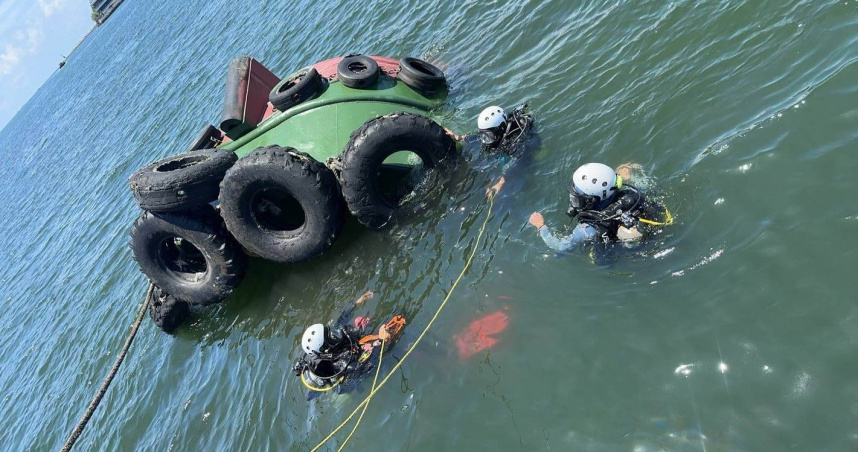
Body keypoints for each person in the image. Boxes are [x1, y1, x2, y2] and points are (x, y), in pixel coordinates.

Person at [528, 163, 671, 256]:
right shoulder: (630, 194)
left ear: (592, 199)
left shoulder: (586, 229)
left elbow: (560, 246)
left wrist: (541, 226)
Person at [292, 291, 406, 392]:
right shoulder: (341, 364)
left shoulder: (321, 346)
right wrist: (381, 341)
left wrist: (357, 302)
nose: (334, 334)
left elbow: (341, 319)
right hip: (348, 376)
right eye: (330, 337)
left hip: (335, 358)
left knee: (358, 327)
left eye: (330, 332)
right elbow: (366, 366)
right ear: (326, 348)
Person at [447, 105, 535, 197]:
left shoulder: (514, 141)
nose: (484, 140)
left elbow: (522, 161)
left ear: (500, 130)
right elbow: (477, 137)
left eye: (487, 136)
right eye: (483, 135)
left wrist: (501, 182)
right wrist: (459, 137)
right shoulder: (494, 134)